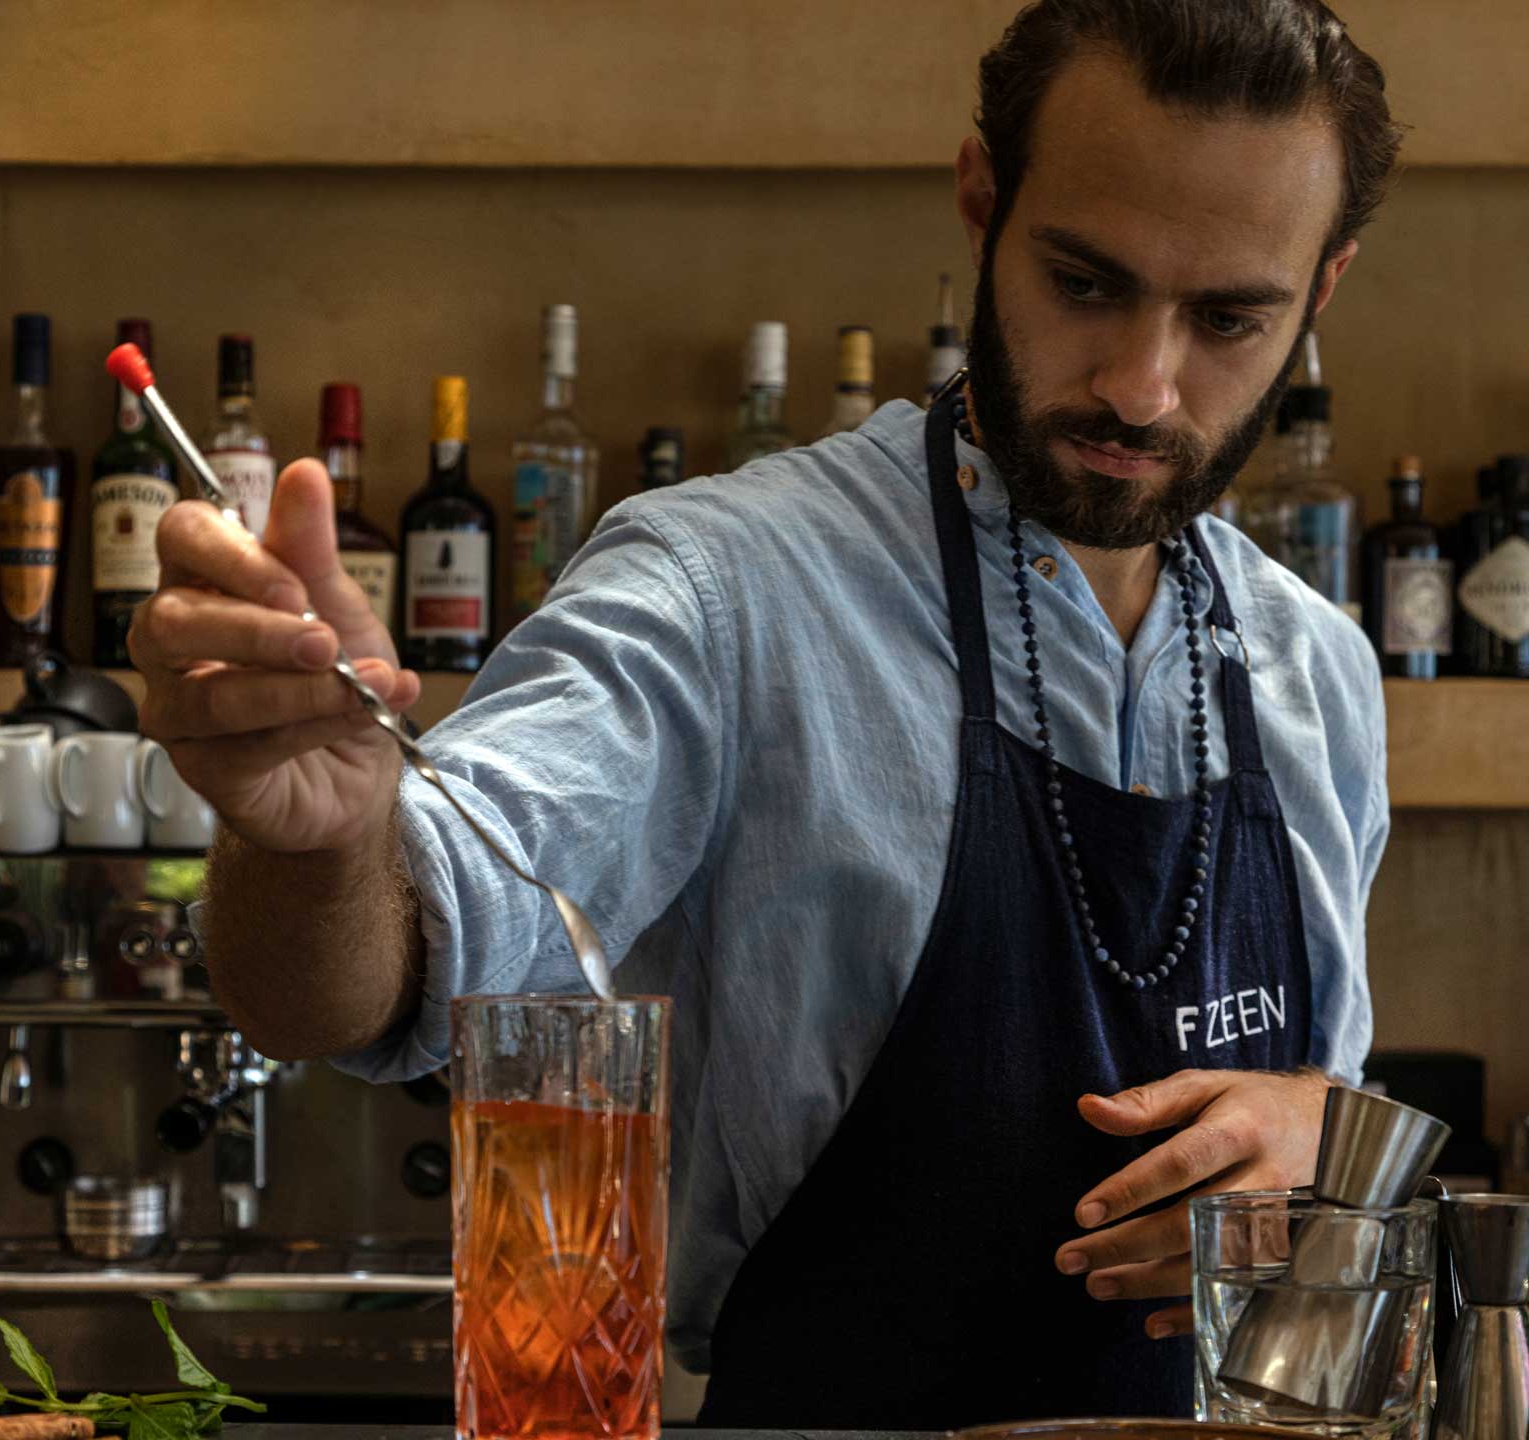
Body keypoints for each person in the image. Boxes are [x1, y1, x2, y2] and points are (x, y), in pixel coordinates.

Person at [129, 0, 1398, 1424]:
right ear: (982, 201)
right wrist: (315, 844)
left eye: (1230, 318)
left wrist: (1323, 1141)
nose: (1143, 384)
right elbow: (383, 980)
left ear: (1323, 288)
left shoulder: (1317, 671)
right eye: (1087, 283)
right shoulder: (723, 591)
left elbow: (1332, 1169)